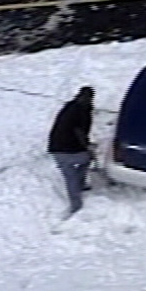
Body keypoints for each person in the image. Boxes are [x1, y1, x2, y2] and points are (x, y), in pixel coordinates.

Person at [48, 86, 94, 217]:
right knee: (84, 162)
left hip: (55, 147)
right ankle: (78, 195)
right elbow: (79, 132)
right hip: (68, 148)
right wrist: (87, 147)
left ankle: (76, 199)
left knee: (70, 175)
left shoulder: (70, 106)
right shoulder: (82, 111)